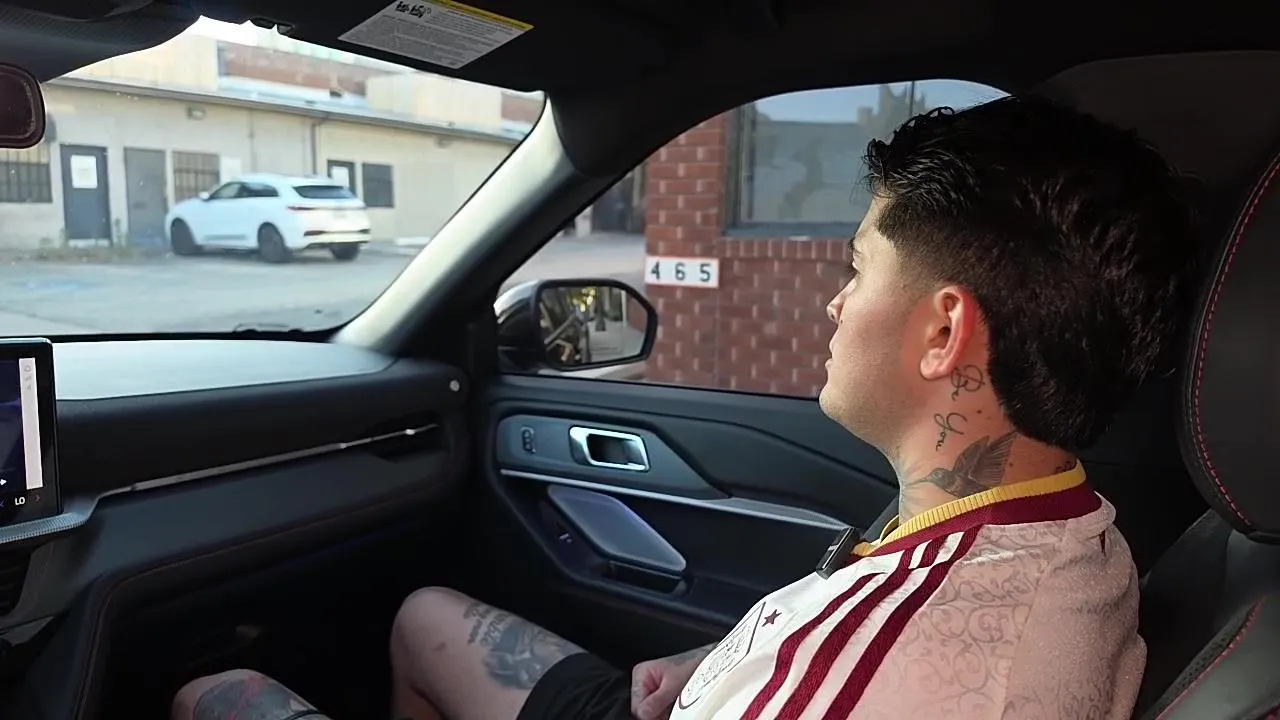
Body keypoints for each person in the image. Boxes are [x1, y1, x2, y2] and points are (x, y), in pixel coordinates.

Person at [170, 95, 1195, 720]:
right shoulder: (1064, 524)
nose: (834, 304)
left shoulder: (893, 667)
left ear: (942, 332)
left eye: (855, 268)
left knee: (216, 695)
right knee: (423, 618)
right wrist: (711, 665)